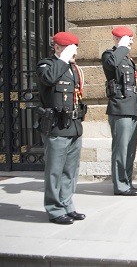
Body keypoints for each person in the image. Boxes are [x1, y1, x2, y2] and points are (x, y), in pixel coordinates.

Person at [36, 31, 87, 225]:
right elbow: (48, 79)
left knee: (70, 171)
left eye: (75, 48)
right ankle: (54, 209)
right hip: (56, 126)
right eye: (69, 48)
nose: (73, 52)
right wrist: (63, 59)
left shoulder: (73, 69)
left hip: (73, 126)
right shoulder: (46, 65)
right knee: (54, 171)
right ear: (57, 48)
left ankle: (67, 205)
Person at [102, 27, 137, 196]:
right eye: (128, 38)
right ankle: (120, 185)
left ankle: (127, 182)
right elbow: (111, 64)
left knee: (130, 149)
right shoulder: (110, 55)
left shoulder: (127, 58)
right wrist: (122, 47)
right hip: (120, 107)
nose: (131, 41)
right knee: (120, 149)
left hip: (132, 106)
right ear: (117, 39)